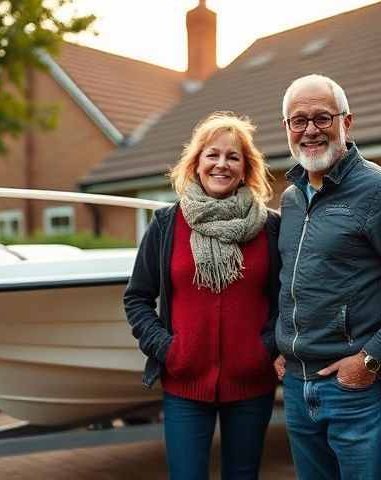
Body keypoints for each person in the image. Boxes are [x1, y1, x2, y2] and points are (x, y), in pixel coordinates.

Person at [273, 74, 381, 479]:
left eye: (323, 117)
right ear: (286, 129)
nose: (311, 130)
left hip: (355, 387)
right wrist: (280, 343)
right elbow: (288, 280)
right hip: (299, 387)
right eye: (298, 121)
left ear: (346, 123)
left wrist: (371, 358)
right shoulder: (291, 198)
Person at [124, 111, 281, 480]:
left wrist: (266, 349)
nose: (221, 164)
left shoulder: (269, 227)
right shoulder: (166, 224)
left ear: (246, 168)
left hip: (251, 384)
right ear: (196, 164)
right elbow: (137, 298)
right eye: (212, 155)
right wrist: (168, 349)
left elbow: (286, 299)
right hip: (184, 385)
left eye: (233, 156)